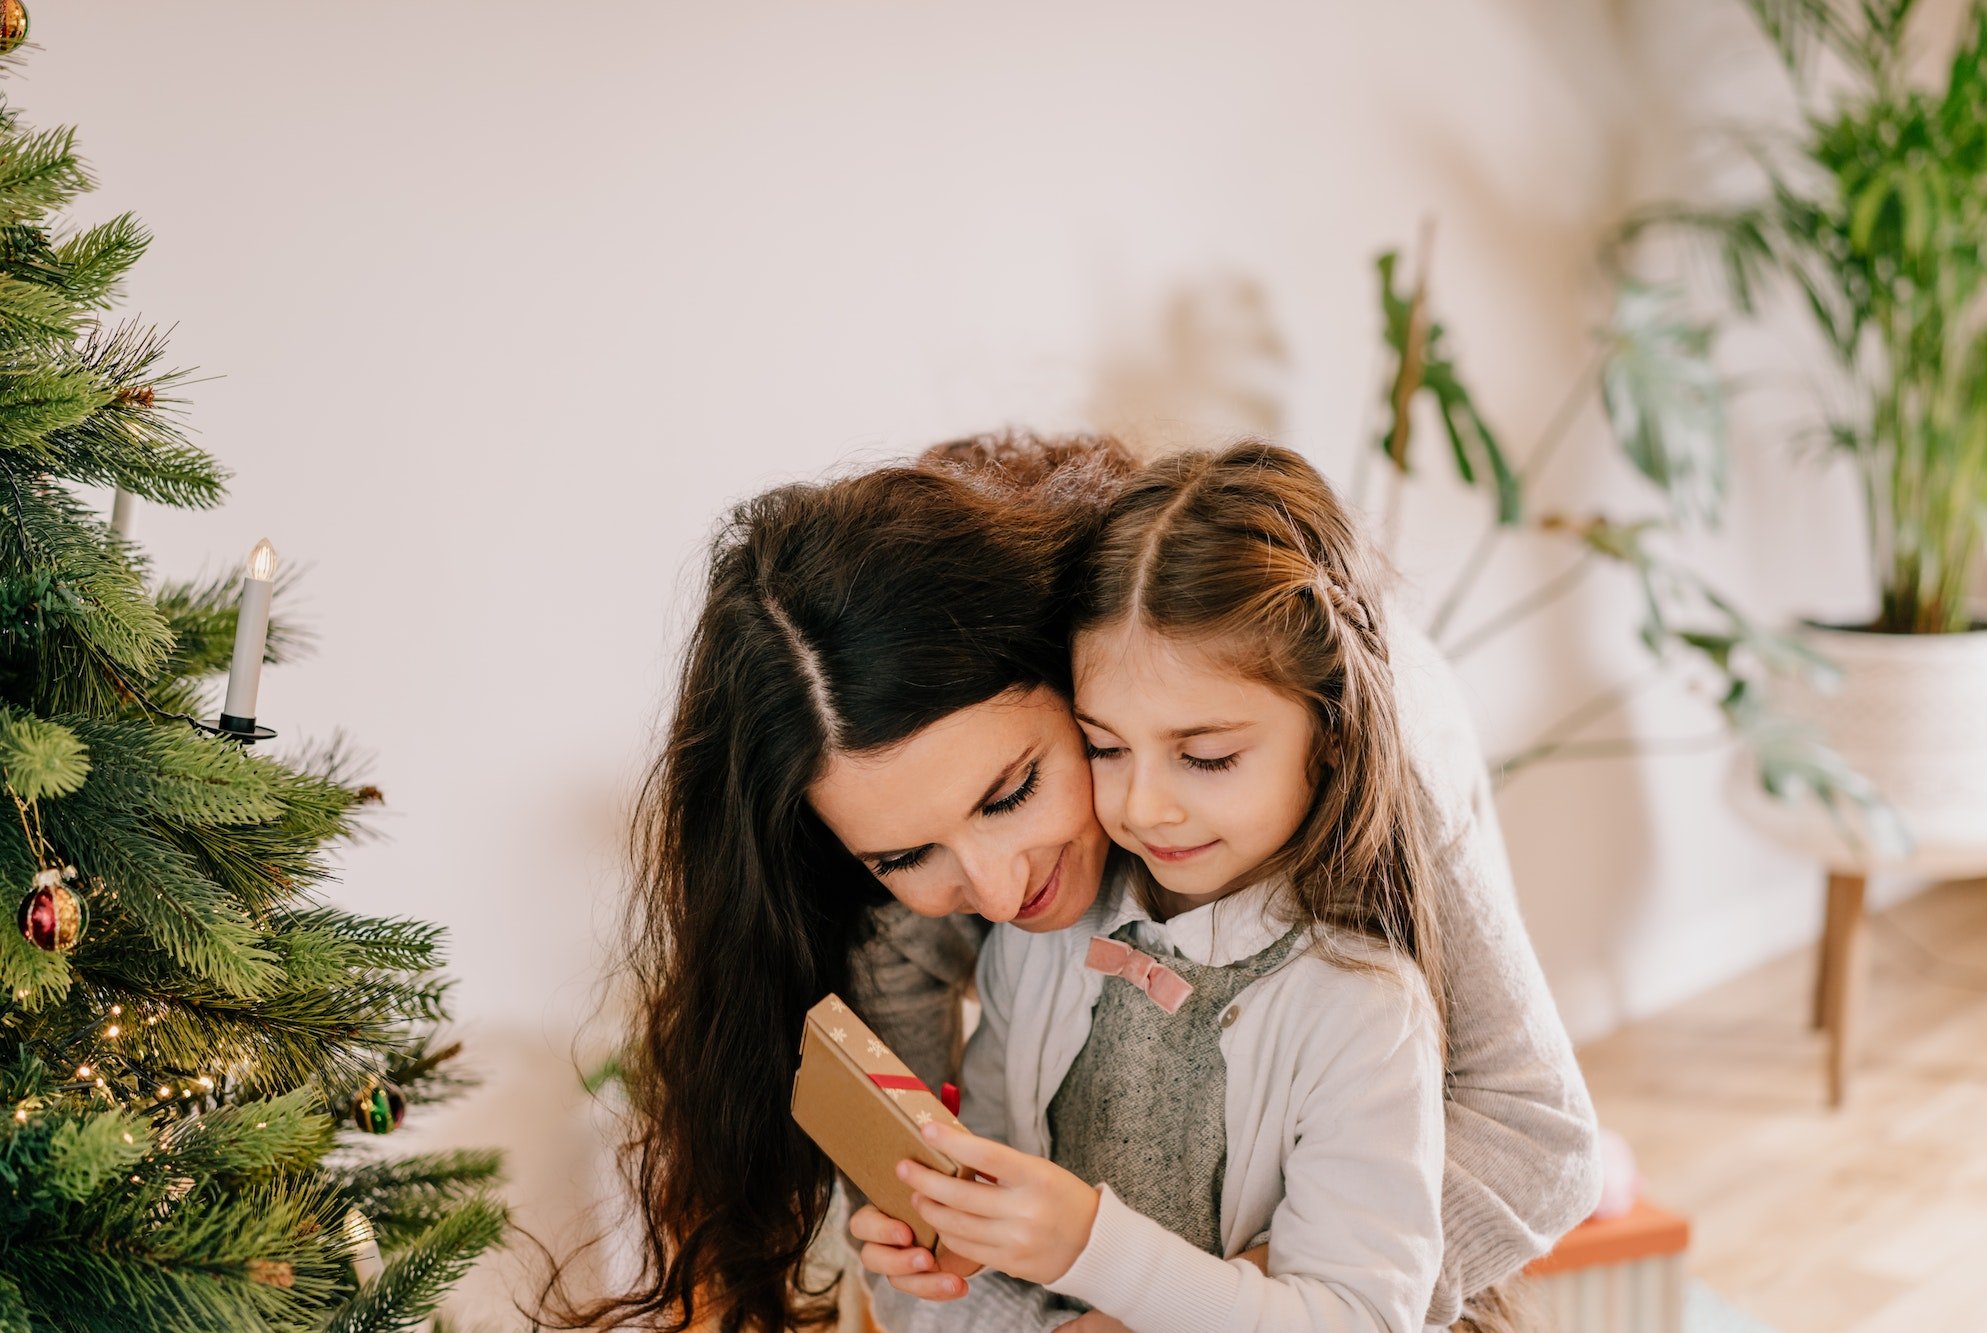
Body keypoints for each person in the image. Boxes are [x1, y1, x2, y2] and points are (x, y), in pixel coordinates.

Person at [550, 434, 1597, 1333]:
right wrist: (950, 1262)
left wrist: (1180, 1294)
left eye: (1011, 790)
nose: (1001, 895)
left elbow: (1534, 1139)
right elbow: (924, 1222)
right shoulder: (974, 914)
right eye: (903, 857)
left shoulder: (1356, 755)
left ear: (1073, 667)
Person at [854, 440, 1454, 1331]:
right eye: (1103, 746)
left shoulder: (1361, 1012)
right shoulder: (1038, 938)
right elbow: (966, 1248)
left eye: (1206, 755)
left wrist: (1094, 1247)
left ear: (1330, 733)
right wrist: (933, 1250)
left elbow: (1359, 1315)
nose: (1142, 805)